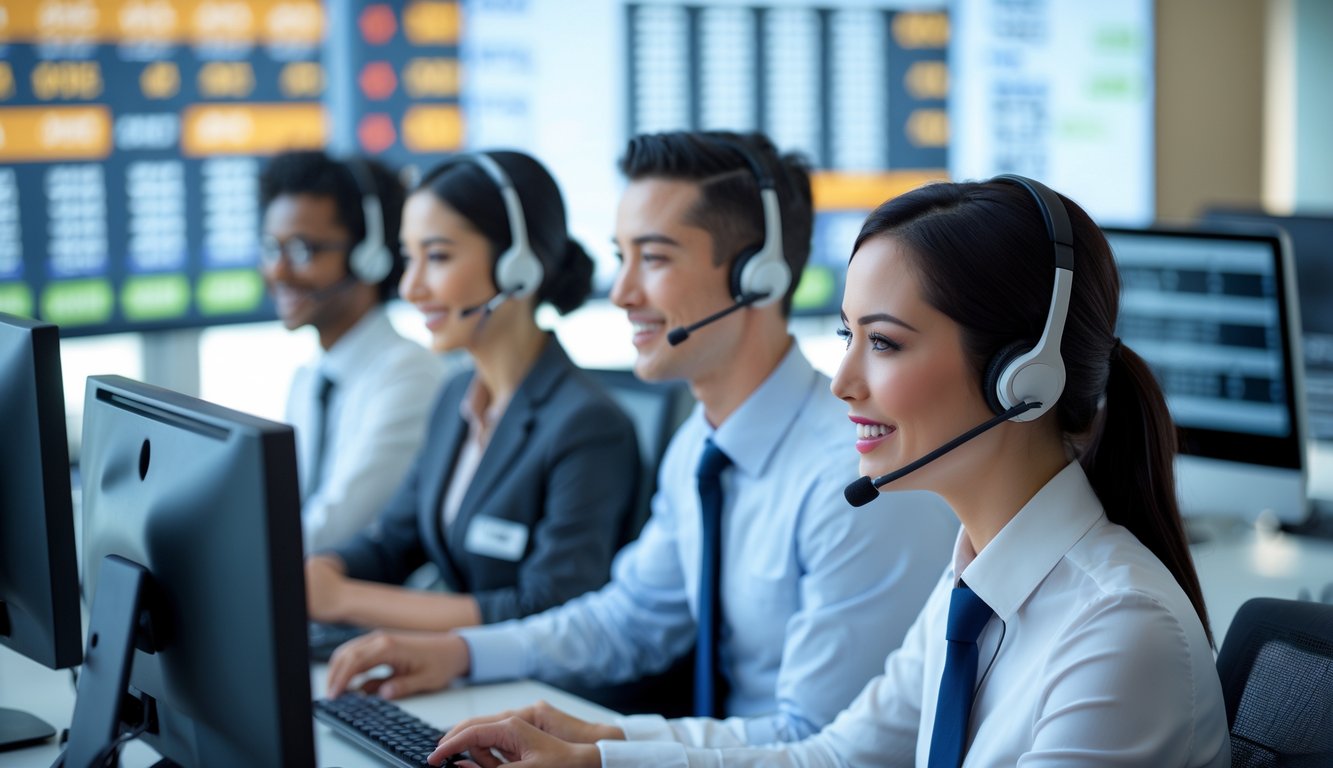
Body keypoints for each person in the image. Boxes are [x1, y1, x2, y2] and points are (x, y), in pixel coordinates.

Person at [426, 176, 1231, 767]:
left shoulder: (1117, 633)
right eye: (845, 335)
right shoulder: (974, 585)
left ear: (1022, 377)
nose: (843, 381)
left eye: (881, 343)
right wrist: (600, 751)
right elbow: (838, 756)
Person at [326, 131, 958, 740]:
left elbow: (821, 743)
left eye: (652, 258)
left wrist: (606, 749)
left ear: (756, 277)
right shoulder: (699, 447)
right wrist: (459, 654)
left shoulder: (851, 480)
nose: (623, 292)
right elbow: (630, 621)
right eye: (621, 256)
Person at [304, 150, 640, 634]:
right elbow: (394, 543)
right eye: (408, 259)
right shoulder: (455, 396)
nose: (411, 286)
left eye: (437, 257)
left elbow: (548, 609)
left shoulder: (587, 426)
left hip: (541, 692)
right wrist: (325, 569)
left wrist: (342, 599)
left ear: (516, 266)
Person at [260, 151, 446, 552]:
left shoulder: (410, 375)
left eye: (302, 250)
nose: (278, 271)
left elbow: (334, 528)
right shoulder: (309, 379)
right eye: (272, 248)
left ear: (369, 254)